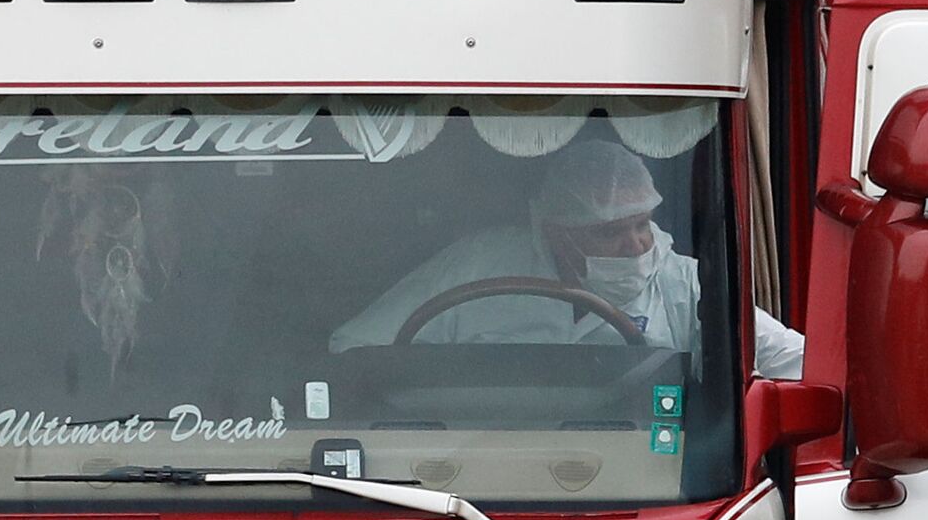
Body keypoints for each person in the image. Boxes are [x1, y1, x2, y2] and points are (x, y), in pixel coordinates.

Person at [330, 138, 804, 379]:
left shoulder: (685, 284)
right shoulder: (478, 264)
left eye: (641, 224)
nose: (636, 244)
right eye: (610, 232)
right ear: (557, 232)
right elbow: (355, 347)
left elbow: (793, 360)